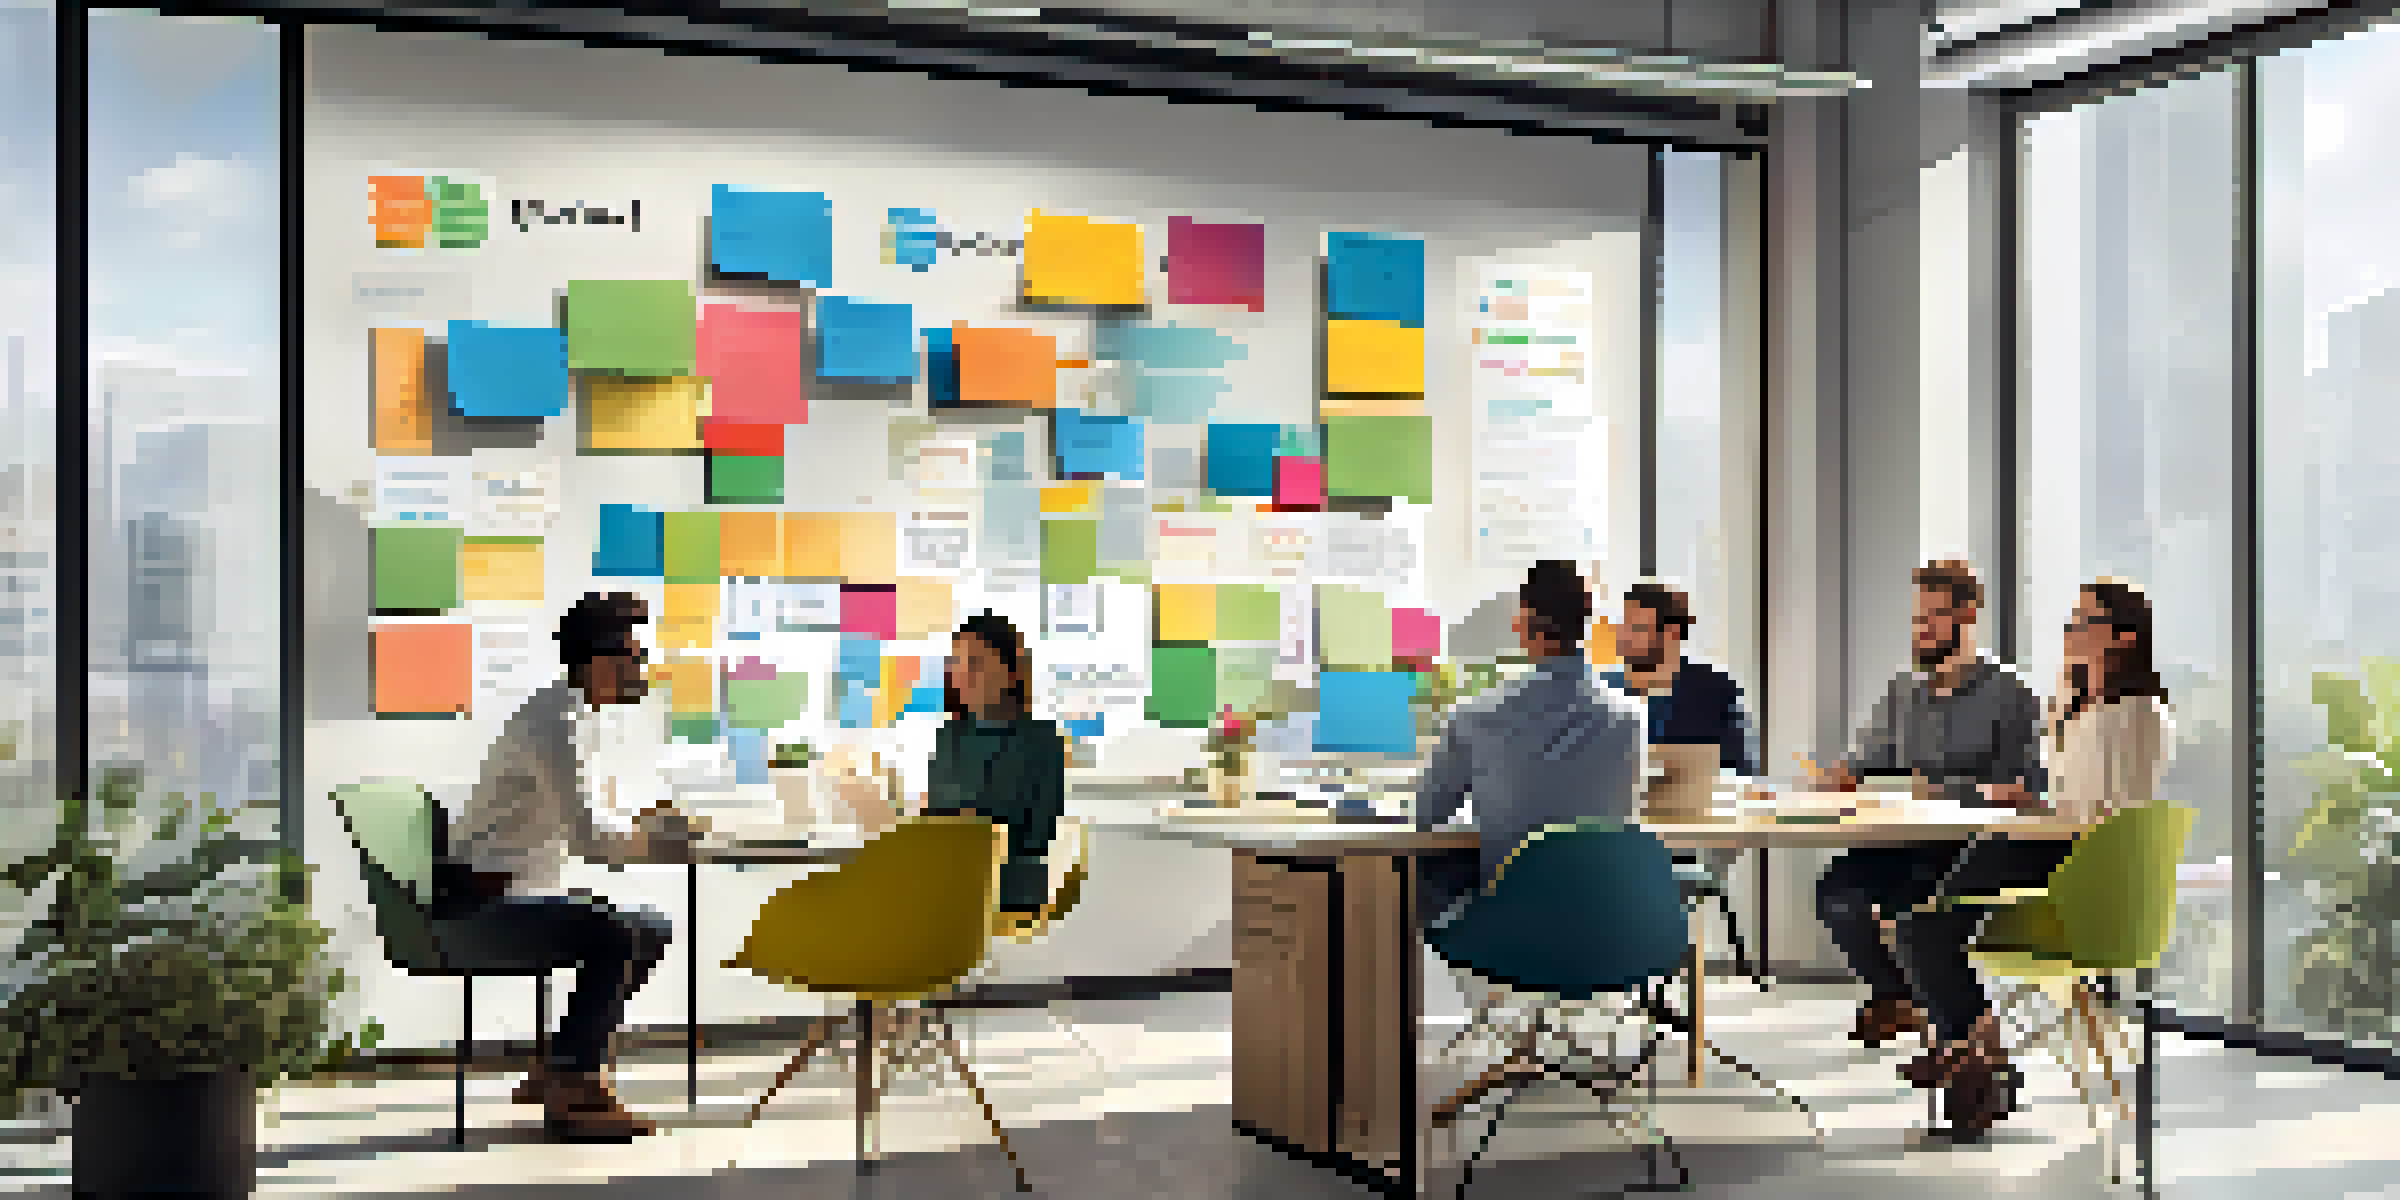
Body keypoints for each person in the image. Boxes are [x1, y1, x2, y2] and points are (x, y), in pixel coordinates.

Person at [1888, 577, 2174, 1138]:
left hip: (2082, 871)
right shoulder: (2079, 702)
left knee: (1922, 930)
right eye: (2068, 623)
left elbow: (2120, 814)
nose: (2068, 634)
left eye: (2082, 623)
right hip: (2056, 847)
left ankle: (1975, 1047)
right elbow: (2081, 798)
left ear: (2121, 637)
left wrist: (2040, 814)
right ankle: (1976, 1055)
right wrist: (2034, 802)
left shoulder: (2139, 713)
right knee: (1922, 928)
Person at [431, 591, 677, 1140]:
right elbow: (590, 839)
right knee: (615, 933)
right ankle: (575, 1088)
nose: (641, 667)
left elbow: (590, 818)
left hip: (509, 895)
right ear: (601, 662)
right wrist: (653, 838)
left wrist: (643, 829)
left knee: (651, 928)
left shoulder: (574, 717)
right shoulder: (555, 724)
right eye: (634, 657)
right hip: (482, 907)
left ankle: (556, 1068)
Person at [1806, 561, 2046, 1052]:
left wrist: (1942, 788)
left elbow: (2023, 786)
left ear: (1969, 616)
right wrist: (1843, 775)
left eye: (1935, 617)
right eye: (1918, 618)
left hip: (1968, 853)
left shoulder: (2012, 695)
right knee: (1836, 897)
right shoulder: (1901, 692)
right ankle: (1900, 997)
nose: (1922, 629)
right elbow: (1867, 759)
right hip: (1900, 842)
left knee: (1908, 913)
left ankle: (1954, 1036)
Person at [1414, 560, 1649, 929]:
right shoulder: (1632, 719)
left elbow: (1426, 814)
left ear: (1523, 623)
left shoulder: (1476, 715)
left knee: (1420, 879)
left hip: (1513, 932)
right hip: (1604, 930)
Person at [1599, 580, 1757, 881]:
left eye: (1636, 628)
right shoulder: (1601, 691)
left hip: (1685, 842)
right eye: (1623, 625)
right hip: (1608, 837)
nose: (1622, 636)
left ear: (1670, 633)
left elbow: (1743, 773)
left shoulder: (1716, 692)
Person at [921, 611, 1066, 918]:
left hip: (1007, 893)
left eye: (975, 662)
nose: (962, 674)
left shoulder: (1041, 740)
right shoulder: (950, 735)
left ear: (1011, 672)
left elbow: (1036, 842)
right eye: (957, 663)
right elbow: (936, 819)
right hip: (946, 885)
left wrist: (975, 832)